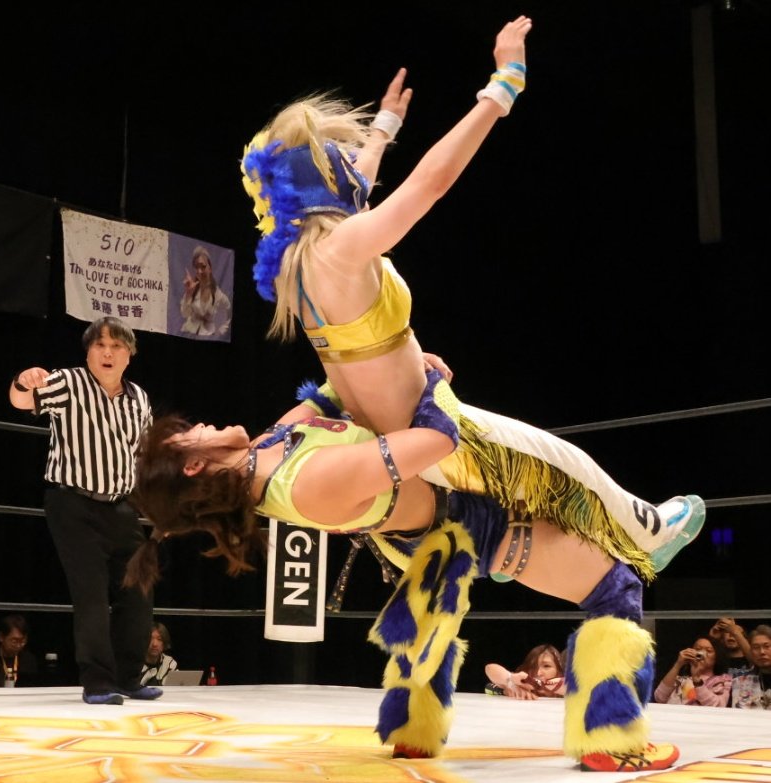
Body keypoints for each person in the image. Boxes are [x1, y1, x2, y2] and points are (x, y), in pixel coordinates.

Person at [239, 16, 704, 575]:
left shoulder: (299, 264)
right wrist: (502, 87)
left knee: (533, 497)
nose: (351, 163)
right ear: (322, 183)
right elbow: (429, 183)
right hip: (427, 428)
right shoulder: (342, 248)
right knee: (559, 464)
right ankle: (648, 531)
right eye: (338, 159)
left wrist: (384, 126)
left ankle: (558, 544)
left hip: (395, 431)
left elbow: (355, 181)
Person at [125, 378, 683, 772]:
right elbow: (437, 439)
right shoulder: (305, 484)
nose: (201, 424)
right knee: (615, 588)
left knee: (431, 622)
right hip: (476, 523)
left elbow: (325, 396)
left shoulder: (264, 453)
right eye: (189, 433)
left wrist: (378, 370)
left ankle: (415, 731)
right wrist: (426, 383)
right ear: (194, 465)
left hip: (425, 532)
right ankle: (611, 738)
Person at [8, 316, 159, 705]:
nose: (107, 353)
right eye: (99, 345)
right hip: (72, 503)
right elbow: (22, 401)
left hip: (121, 506)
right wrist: (24, 381)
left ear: (129, 354)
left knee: (138, 592)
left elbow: (145, 454)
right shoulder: (69, 382)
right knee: (91, 594)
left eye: (116, 346)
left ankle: (128, 677)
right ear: (88, 352)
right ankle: (98, 682)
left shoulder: (140, 399)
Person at [653, 636, 732, 707]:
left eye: (709, 651)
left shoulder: (723, 680)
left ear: (717, 656)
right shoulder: (681, 679)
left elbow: (718, 705)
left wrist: (697, 680)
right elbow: (659, 697)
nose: (701, 653)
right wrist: (678, 664)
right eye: (698, 649)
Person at [180, 245, 232, 338]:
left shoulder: (219, 296)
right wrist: (188, 293)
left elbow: (227, 318)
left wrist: (219, 334)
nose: (199, 271)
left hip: (208, 336)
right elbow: (184, 314)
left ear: (210, 268)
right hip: (188, 332)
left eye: (203, 266)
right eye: (196, 267)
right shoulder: (193, 289)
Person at [485, 644, 566, 699]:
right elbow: (490, 668)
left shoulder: (567, 688)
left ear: (559, 670)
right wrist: (510, 682)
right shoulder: (521, 687)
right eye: (533, 667)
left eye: (546, 666)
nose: (539, 673)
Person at [0, 614, 39, 688]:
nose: (19, 645)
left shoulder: (28, 659)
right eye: (14, 641)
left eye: (23, 641)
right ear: (1, 637)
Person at [730, 625, 771, 710]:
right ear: (751, 651)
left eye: (767, 646)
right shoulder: (741, 682)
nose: (762, 652)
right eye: (756, 648)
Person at [140, 622, 178, 686]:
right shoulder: (134, 664)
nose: (154, 644)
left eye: (159, 639)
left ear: (164, 643)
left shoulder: (169, 663)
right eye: (150, 638)